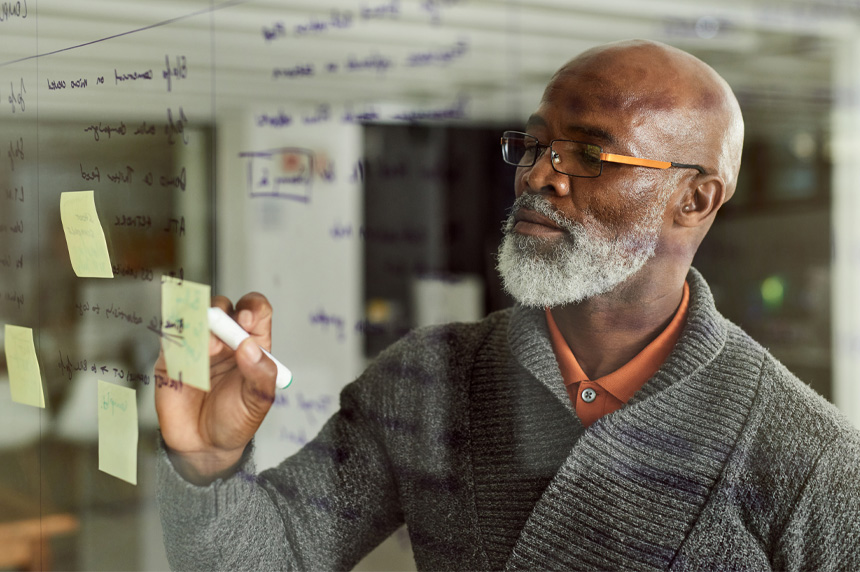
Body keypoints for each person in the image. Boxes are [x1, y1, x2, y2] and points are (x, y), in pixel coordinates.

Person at [155, 39, 860, 570]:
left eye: (589, 154)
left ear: (695, 197)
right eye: (537, 143)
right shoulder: (426, 378)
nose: (539, 175)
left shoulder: (811, 458)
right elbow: (270, 555)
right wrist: (208, 464)